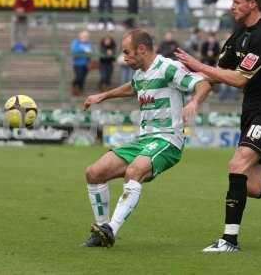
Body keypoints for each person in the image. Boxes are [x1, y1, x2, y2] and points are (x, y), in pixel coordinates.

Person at [82, 29, 211, 247]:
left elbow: (203, 84)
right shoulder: (141, 72)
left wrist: (194, 102)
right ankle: (101, 231)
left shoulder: (168, 67)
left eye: (127, 52)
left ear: (142, 49)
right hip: (144, 140)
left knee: (134, 171)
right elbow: (133, 88)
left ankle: (111, 229)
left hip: (168, 140)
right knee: (94, 173)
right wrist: (103, 95)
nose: (124, 57)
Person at [175, 0, 261, 252]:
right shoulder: (240, 33)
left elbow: (238, 79)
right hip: (251, 111)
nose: (232, 6)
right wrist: (188, 87)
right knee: (251, 185)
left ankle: (229, 241)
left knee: (237, 165)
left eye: (237, 2)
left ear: (253, 4)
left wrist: (198, 65)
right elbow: (216, 72)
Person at [70, 30, 93, 96]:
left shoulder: (88, 43)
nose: (85, 37)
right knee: (79, 76)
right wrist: (84, 50)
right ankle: (74, 85)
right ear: (80, 36)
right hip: (78, 63)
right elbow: (74, 50)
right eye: (83, 36)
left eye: (86, 36)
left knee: (83, 77)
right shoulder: (76, 42)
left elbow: (91, 51)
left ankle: (80, 90)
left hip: (86, 63)